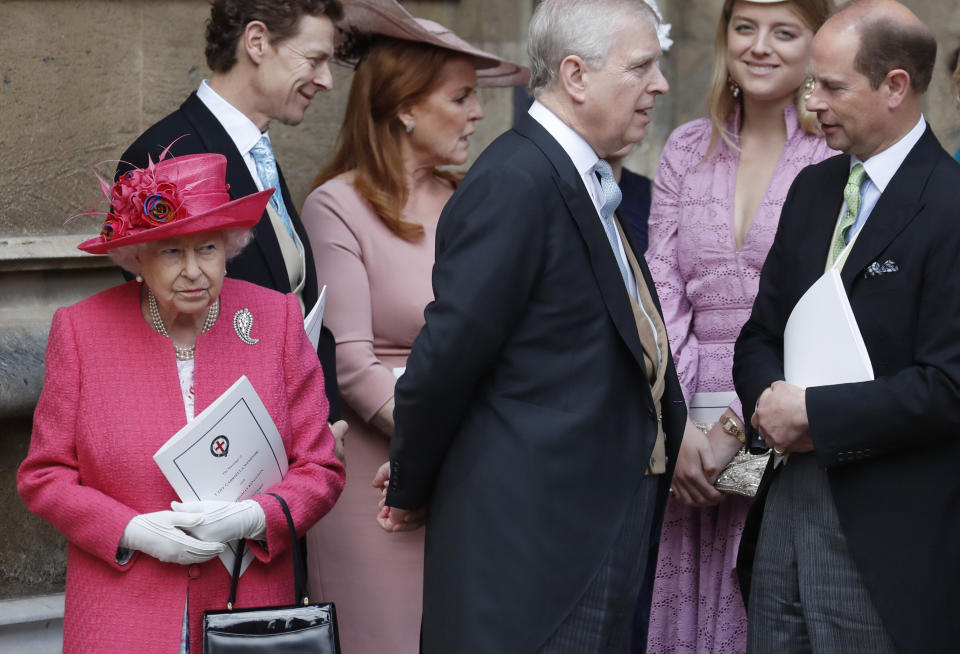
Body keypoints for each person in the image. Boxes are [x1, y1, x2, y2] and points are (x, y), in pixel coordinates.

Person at [375, 0, 685, 651]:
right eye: (641, 67)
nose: (659, 85)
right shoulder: (516, 181)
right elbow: (446, 359)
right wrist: (412, 481)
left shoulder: (579, 175)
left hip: (596, 528)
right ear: (576, 76)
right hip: (535, 553)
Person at [17, 152, 346, 653]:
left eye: (208, 248)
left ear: (230, 247)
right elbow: (44, 476)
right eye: (171, 252)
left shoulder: (275, 319)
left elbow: (321, 467)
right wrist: (131, 529)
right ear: (138, 257)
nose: (194, 270)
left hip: (247, 613)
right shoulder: (83, 330)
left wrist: (257, 517)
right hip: (123, 616)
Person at [298, 1, 528, 652]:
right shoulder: (336, 206)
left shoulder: (469, 201)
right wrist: (451, 435)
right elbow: (349, 365)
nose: (477, 113)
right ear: (403, 105)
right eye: (459, 98)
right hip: (376, 497)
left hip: (465, 485)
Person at [733, 1, 960, 651]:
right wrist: (770, 403)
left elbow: (949, 386)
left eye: (831, 86)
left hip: (888, 530)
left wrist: (817, 416)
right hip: (783, 512)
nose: (813, 103)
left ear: (895, 87)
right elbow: (760, 333)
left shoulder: (949, 208)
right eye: (811, 84)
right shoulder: (812, 191)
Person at [642, 1, 833, 651]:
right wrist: (682, 428)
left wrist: (736, 428)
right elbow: (661, 288)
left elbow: (824, 310)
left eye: (785, 32)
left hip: (782, 421)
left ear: (817, 46)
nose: (760, 46)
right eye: (745, 27)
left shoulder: (831, 155)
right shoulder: (685, 147)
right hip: (684, 427)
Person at [117, 0, 343, 420]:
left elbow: (294, 301)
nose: (327, 80)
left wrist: (324, 424)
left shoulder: (258, 151)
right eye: (315, 60)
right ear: (257, 41)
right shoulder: (163, 156)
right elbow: (171, 330)